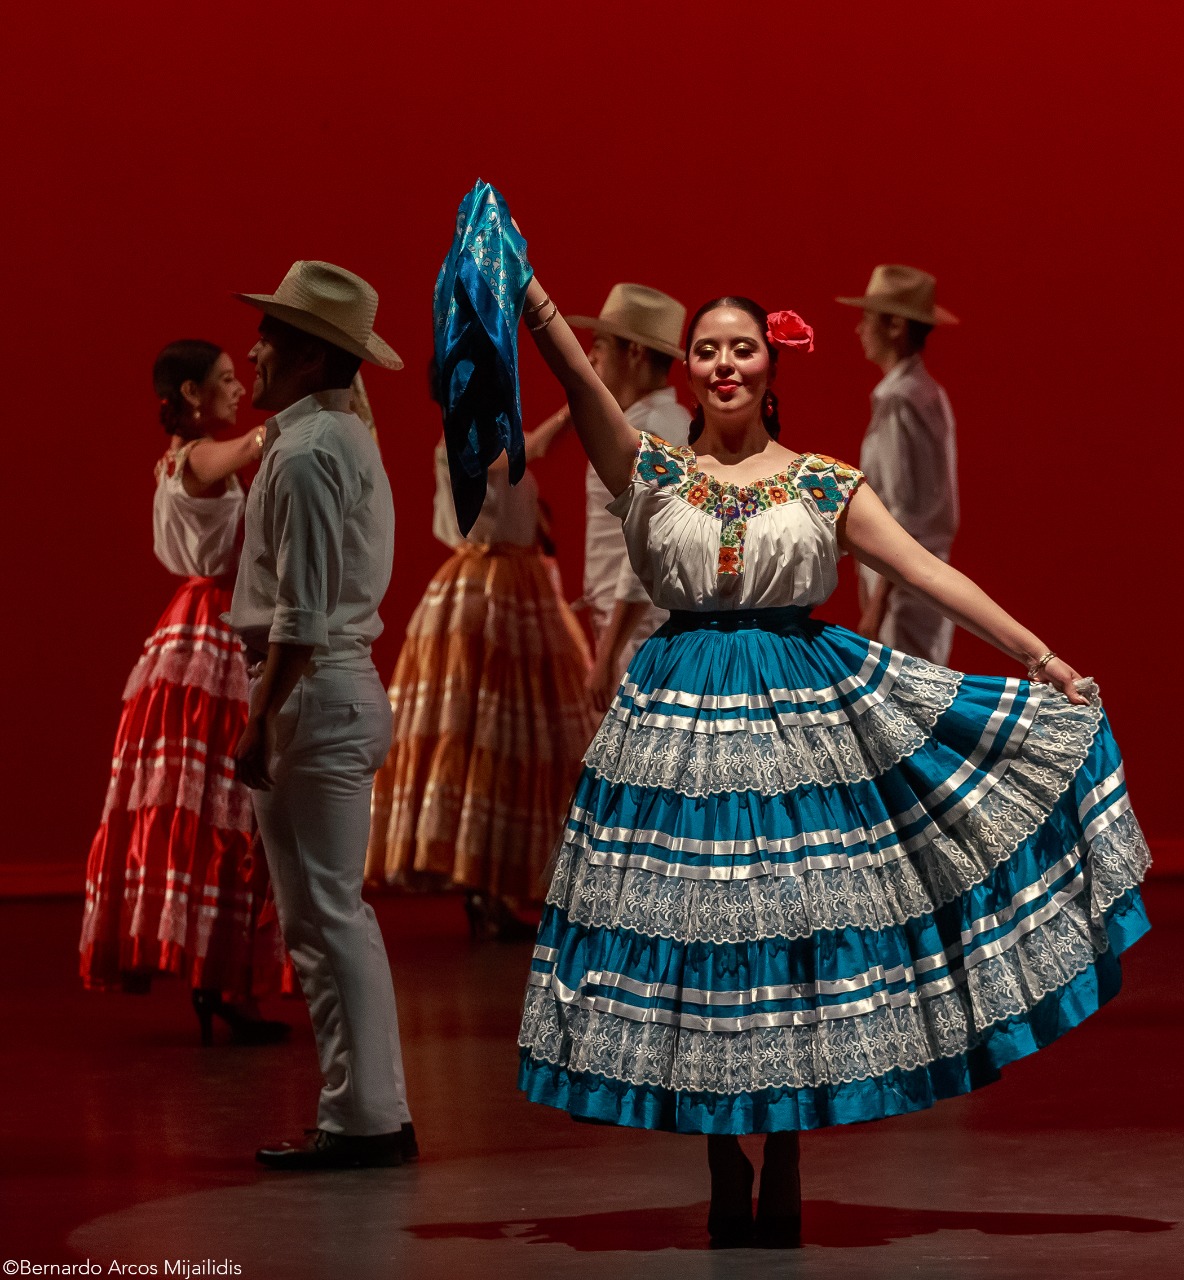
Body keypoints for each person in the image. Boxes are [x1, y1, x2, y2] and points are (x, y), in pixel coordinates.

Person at [511, 249, 1150, 1248]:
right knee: (700, 938)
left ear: (772, 363)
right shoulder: (649, 469)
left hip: (801, 723)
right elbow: (579, 381)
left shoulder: (821, 483)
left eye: (743, 349)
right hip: (676, 724)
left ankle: (791, 1141)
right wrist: (528, 296)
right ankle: (722, 1147)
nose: (725, 365)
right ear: (684, 368)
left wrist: (1041, 655)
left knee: (793, 937)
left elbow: (928, 572)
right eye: (707, 351)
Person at [226, 260, 414, 1170]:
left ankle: (366, 1118)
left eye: (268, 337)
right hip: (336, 685)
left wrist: (261, 715)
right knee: (330, 916)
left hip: (313, 689)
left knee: (327, 916)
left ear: (304, 354)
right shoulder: (337, 438)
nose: (252, 351)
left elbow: (299, 611)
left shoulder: (303, 452)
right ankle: (366, 1109)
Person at [79, 340, 289, 1047]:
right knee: (227, 808)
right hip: (214, 631)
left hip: (199, 627)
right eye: (226, 381)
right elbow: (254, 443)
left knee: (215, 811)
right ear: (194, 395)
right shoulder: (197, 456)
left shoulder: (184, 460)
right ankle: (222, 979)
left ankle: (221, 977)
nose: (238, 389)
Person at [366, 372, 596, 939]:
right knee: (485, 731)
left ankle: (496, 887)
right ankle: (482, 888)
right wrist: (581, 402)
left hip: (515, 583)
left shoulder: (486, 437)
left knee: (514, 736)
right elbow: (528, 451)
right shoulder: (463, 439)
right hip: (484, 592)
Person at [566, 284, 692, 707]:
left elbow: (652, 545)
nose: (592, 357)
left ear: (635, 353)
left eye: (600, 344)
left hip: (641, 634)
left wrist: (608, 654)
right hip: (630, 627)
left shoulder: (655, 428)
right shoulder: (643, 422)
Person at [837, 264, 961, 664]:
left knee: (905, 707)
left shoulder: (901, 400)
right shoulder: (925, 392)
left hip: (904, 590)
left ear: (894, 326)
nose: (859, 330)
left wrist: (877, 603)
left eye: (867, 319)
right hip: (915, 583)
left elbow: (903, 512)